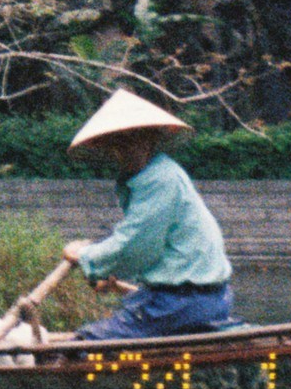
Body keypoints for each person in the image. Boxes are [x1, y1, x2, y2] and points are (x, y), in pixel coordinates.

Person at [59, 85, 236, 339]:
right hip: (194, 298)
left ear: (149, 140)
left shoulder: (160, 179)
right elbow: (146, 247)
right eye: (117, 144)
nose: (124, 150)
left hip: (185, 302)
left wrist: (84, 256)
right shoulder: (153, 175)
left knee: (86, 343)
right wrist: (108, 273)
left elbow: (136, 244)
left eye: (132, 141)